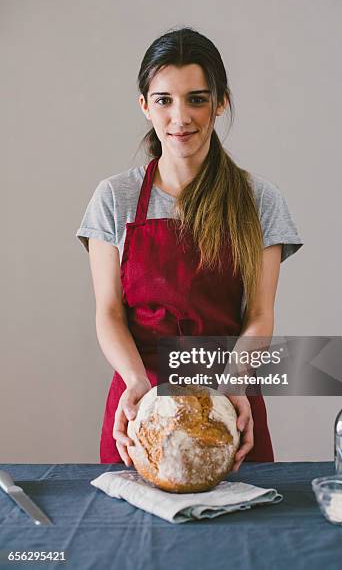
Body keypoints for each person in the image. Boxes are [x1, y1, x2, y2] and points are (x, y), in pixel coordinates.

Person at [76, 27, 303, 472]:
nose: (180, 118)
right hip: (141, 403)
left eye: (197, 99)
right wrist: (136, 382)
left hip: (227, 402)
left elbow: (259, 314)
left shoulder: (259, 200)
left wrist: (234, 387)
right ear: (144, 105)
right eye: (164, 100)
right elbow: (108, 312)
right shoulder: (113, 198)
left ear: (221, 102)